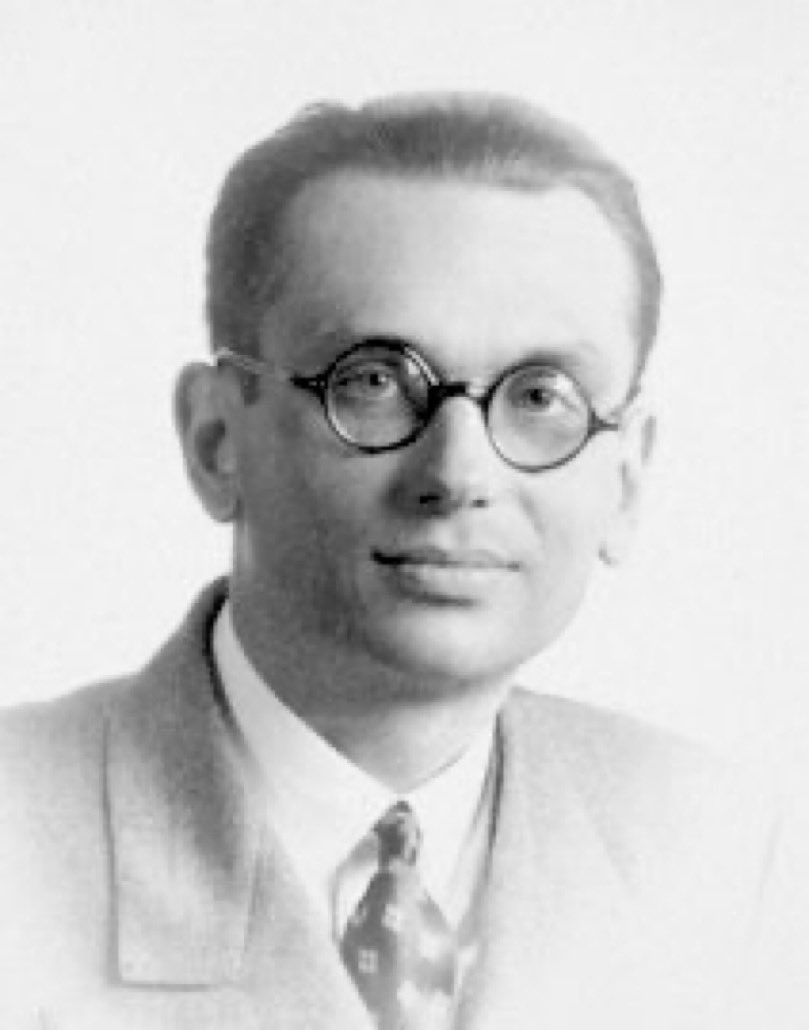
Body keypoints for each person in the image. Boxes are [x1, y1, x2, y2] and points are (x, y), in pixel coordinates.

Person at [0, 92, 777, 1029]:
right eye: (372, 382)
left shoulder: (734, 856)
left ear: (627, 474)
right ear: (216, 440)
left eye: (540, 396)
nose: (459, 475)